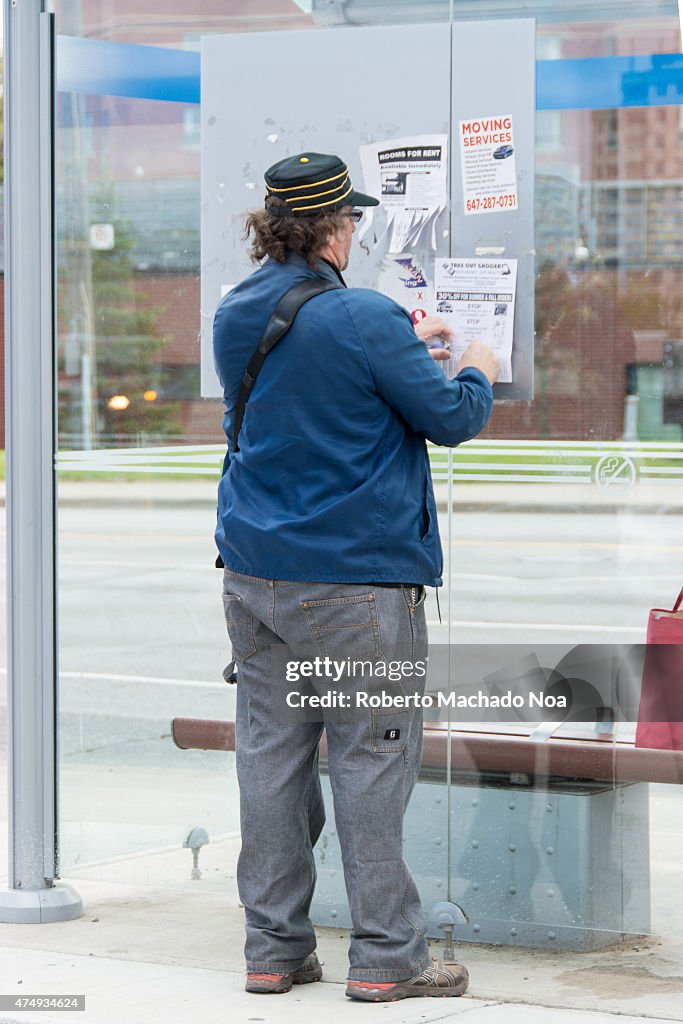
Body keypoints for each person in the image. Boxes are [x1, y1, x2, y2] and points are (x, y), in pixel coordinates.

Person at [213, 152, 498, 1002]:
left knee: (271, 760)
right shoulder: (363, 316)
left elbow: (301, 395)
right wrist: (473, 357)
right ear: (339, 228)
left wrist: (400, 347)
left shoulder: (236, 310)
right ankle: (386, 960)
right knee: (371, 763)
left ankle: (272, 950)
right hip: (353, 587)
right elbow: (450, 417)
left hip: (254, 575)